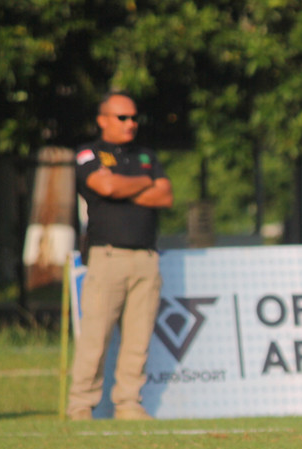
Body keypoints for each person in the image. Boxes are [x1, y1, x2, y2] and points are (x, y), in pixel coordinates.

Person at [67, 91, 173, 420]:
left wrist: (123, 186)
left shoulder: (145, 155)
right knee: (95, 336)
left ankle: (128, 403)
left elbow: (165, 196)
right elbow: (106, 187)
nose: (130, 123)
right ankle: (81, 404)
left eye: (134, 117)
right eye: (122, 117)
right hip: (108, 256)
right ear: (103, 120)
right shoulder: (88, 153)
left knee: (138, 339)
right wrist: (144, 183)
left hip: (146, 257)